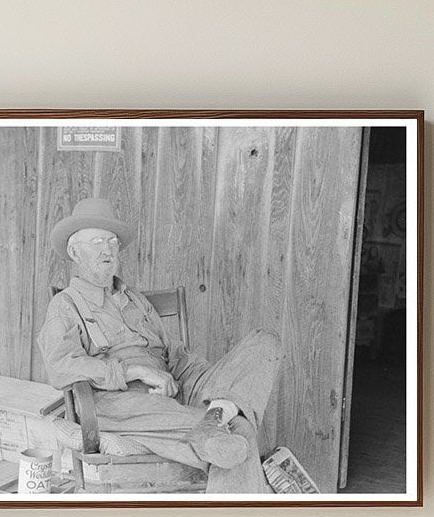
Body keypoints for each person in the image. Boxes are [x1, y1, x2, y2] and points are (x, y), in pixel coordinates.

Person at [37, 197, 283, 493]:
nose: (107, 249)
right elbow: (60, 367)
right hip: (119, 398)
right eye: (97, 241)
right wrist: (134, 371)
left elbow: (175, 356)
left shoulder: (136, 300)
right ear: (74, 252)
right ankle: (218, 442)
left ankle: (217, 414)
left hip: (172, 387)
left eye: (113, 241)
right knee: (239, 430)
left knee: (264, 342)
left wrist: (212, 387)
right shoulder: (65, 304)